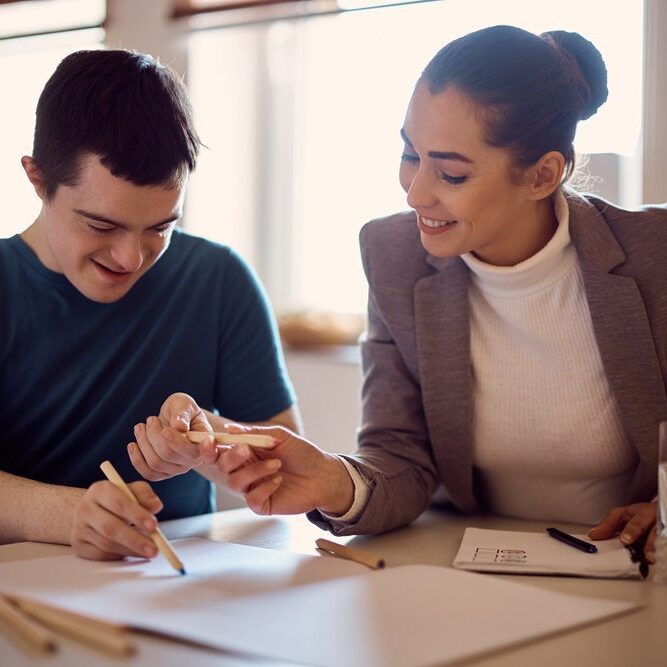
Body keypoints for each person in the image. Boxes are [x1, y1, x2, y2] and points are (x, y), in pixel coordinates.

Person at [154, 25, 666, 563]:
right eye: (409, 153)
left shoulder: (653, 254)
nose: (416, 191)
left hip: (630, 572)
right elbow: (400, 456)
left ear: (543, 175)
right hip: (465, 568)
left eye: (450, 172)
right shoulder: (393, 254)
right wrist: (334, 481)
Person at [0, 49, 300, 562]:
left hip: (173, 583)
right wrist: (73, 514)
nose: (130, 258)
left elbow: (285, 464)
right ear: (38, 179)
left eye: (160, 227)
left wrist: (208, 443)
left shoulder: (218, 278)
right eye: (101, 225)